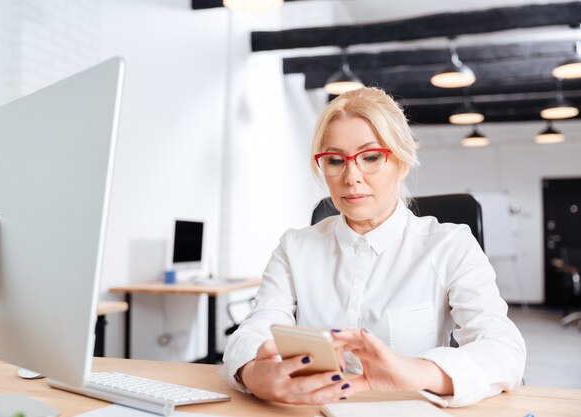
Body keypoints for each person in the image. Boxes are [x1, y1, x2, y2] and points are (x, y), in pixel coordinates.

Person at [219, 87, 526, 408]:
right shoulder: (295, 247)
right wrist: (255, 373)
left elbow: (504, 348)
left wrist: (415, 371)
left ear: (403, 161)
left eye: (371, 157)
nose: (351, 176)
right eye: (335, 160)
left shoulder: (450, 245)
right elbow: (255, 329)